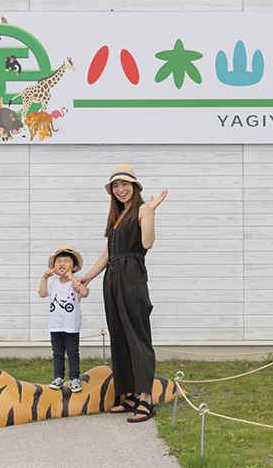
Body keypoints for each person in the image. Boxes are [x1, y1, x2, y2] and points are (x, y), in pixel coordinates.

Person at [80, 164, 167, 423]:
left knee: (137, 336)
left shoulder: (142, 209)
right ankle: (130, 395)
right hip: (113, 279)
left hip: (132, 279)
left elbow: (148, 243)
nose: (120, 190)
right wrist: (87, 276)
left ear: (135, 186)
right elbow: (108, 254)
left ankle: (145, 398)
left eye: (124, 184)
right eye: (115, 186)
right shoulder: (117, 217)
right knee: (119, 336)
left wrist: (150, 212)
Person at [39, 245, 88, 392]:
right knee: (57, 353)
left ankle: (74, 378)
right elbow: (42, 294)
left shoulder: (76, 282)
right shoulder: (52, 282)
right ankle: (58, 377)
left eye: (66, 261)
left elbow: (84, 293)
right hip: (55, 325)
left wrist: (73, 279)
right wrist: (44, 277)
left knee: (73, 353)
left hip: (71, 325)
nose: (61, 263)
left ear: (75, 266)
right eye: (58, 261)